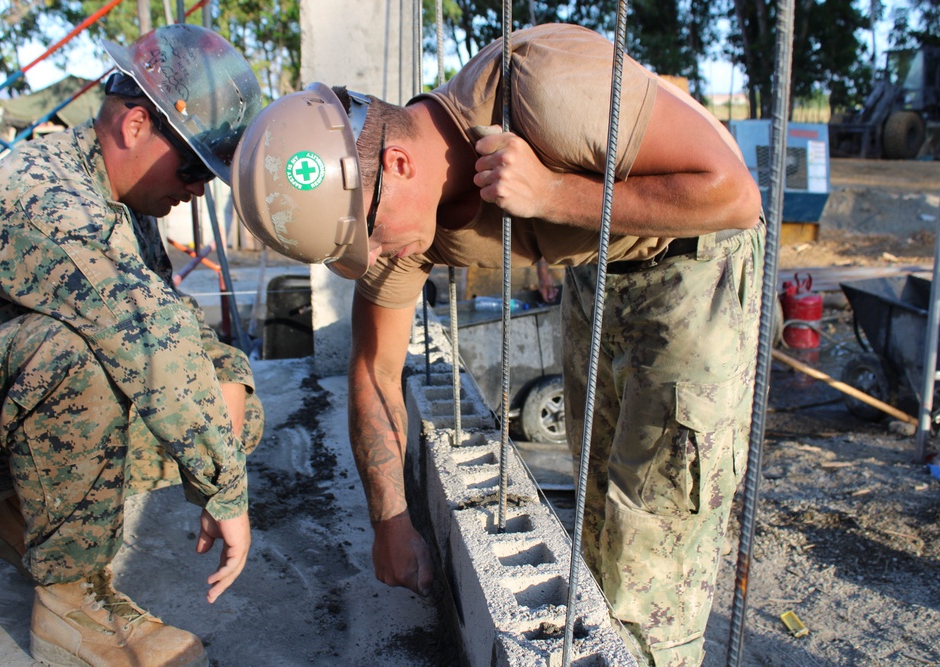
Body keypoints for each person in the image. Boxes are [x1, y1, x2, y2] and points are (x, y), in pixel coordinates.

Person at [232, 22, 763, 667]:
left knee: (651, 541)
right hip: (599, 269)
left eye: (365, 240)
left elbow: (734, 194)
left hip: (694, 261)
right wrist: (390, 521)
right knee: (598, 515)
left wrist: (552, 193)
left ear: (398, 166)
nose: (373, 260)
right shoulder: (404, 223)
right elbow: (374, 369)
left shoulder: (547, 89)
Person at [0, 23, 264, 667]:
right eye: (195, 165)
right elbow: (147, 336)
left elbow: (179, 325)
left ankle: (13, 515)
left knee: (224, 404)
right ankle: (72, 608)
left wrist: (228, 380)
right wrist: (226, 492)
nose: (198, 188)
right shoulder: (49, 199)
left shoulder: (118, 202)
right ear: (137, 126)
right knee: (82, 355)